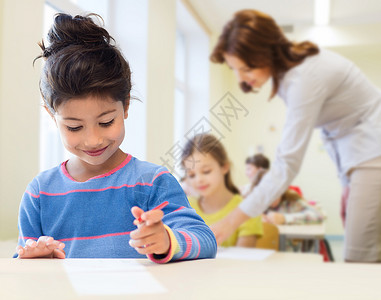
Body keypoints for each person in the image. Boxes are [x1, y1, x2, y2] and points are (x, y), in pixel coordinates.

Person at [15, 13, 217, 262]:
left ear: (126, 105)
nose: (93, 140)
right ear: (52, 116)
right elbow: (23, 263)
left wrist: (166, 240)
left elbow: (204, 239)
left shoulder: (152, 182)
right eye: (74, 127)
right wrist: (36, 259)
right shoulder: (40, 193)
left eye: (106, 122)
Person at [209, 9, 381, 262]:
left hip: (372, 151)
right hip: (360, 155)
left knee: (359, 257)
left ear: (266, 53)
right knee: (361, 251)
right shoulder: (290, 76)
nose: (240, 78)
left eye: (245, 68)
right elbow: (337, 131)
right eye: (235, 69)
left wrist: (230, 222)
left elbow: (287, 163)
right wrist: (347, 182)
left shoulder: (304, 78)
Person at [181, 134, 263, 248]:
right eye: (192, 175)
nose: (199, 180)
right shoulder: (184, 208)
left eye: (206, 171)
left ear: (224, 167)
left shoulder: (247, 210)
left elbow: (243, 262)